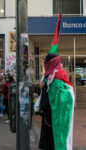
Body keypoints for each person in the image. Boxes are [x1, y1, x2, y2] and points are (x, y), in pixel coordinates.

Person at [40, 14, 75, 150]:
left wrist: (43, 103)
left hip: (53, 121)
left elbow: (51, 103)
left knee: (55, 143)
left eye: (47, 63)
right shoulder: (53, 76)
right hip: (51, 121)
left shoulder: (57, 79)